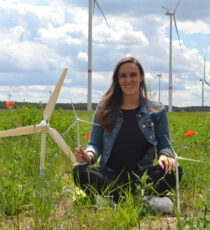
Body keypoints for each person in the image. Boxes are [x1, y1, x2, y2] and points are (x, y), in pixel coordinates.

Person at [73, 57, 182, 205]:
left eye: (133, 75)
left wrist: (165, 157)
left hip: (143, 176)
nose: (128, 80)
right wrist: (88, 156)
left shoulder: (157, 111)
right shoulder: (104, 109)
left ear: (141, 77)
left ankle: (112, 202)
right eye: (123, 76)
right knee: (79, 171)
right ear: (117, 80)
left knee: (175, 171)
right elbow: (95, 144)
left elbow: (165, 145)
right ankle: (143, 202)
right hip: (110, 176)